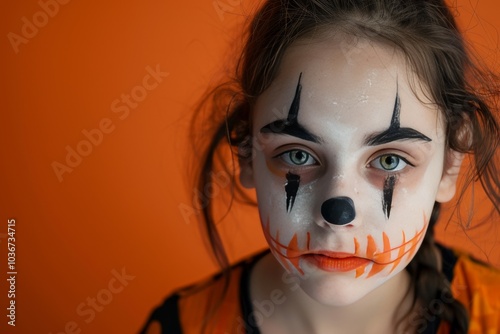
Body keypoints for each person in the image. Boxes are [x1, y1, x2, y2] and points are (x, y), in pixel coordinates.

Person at [140, 0, 499, 333]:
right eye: (298, 155)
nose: (338, 211)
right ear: (247, 151)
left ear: (450, 162)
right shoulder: (184, 325)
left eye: (390, 160)